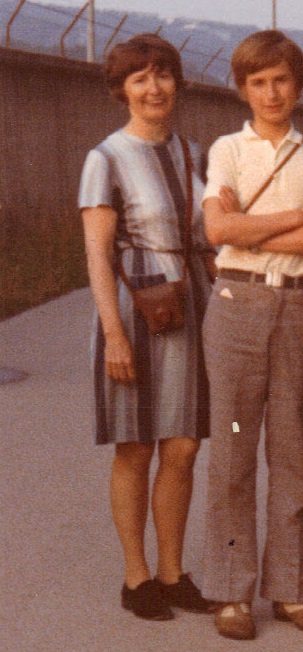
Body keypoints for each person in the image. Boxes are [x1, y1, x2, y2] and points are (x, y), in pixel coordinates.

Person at [200, 30, 303, 641]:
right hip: (237, 304)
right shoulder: (227, 150)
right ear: (242, 90)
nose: (271, 92)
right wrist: (294, 216)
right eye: (257, 82)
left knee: (290, 451)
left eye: (281, 80)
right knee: (233, 451)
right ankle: (232, 592)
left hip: (299, 307)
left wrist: (249, 227)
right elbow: (216, 231)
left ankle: (290, 589)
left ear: (298, 85)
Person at [80, 33, 216, 621]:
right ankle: (137, 578)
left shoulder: (195, 153)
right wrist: (113, 334)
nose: (154, 88)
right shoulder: (106, 157)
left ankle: (172, 572)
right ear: (122, 90)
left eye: (163, 75)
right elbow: (97, 254)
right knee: (135, 445)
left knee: (183, 445)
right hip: (135, 310)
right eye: (140, 78)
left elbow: (211, 236)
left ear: (177, 84)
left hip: (194, 304)